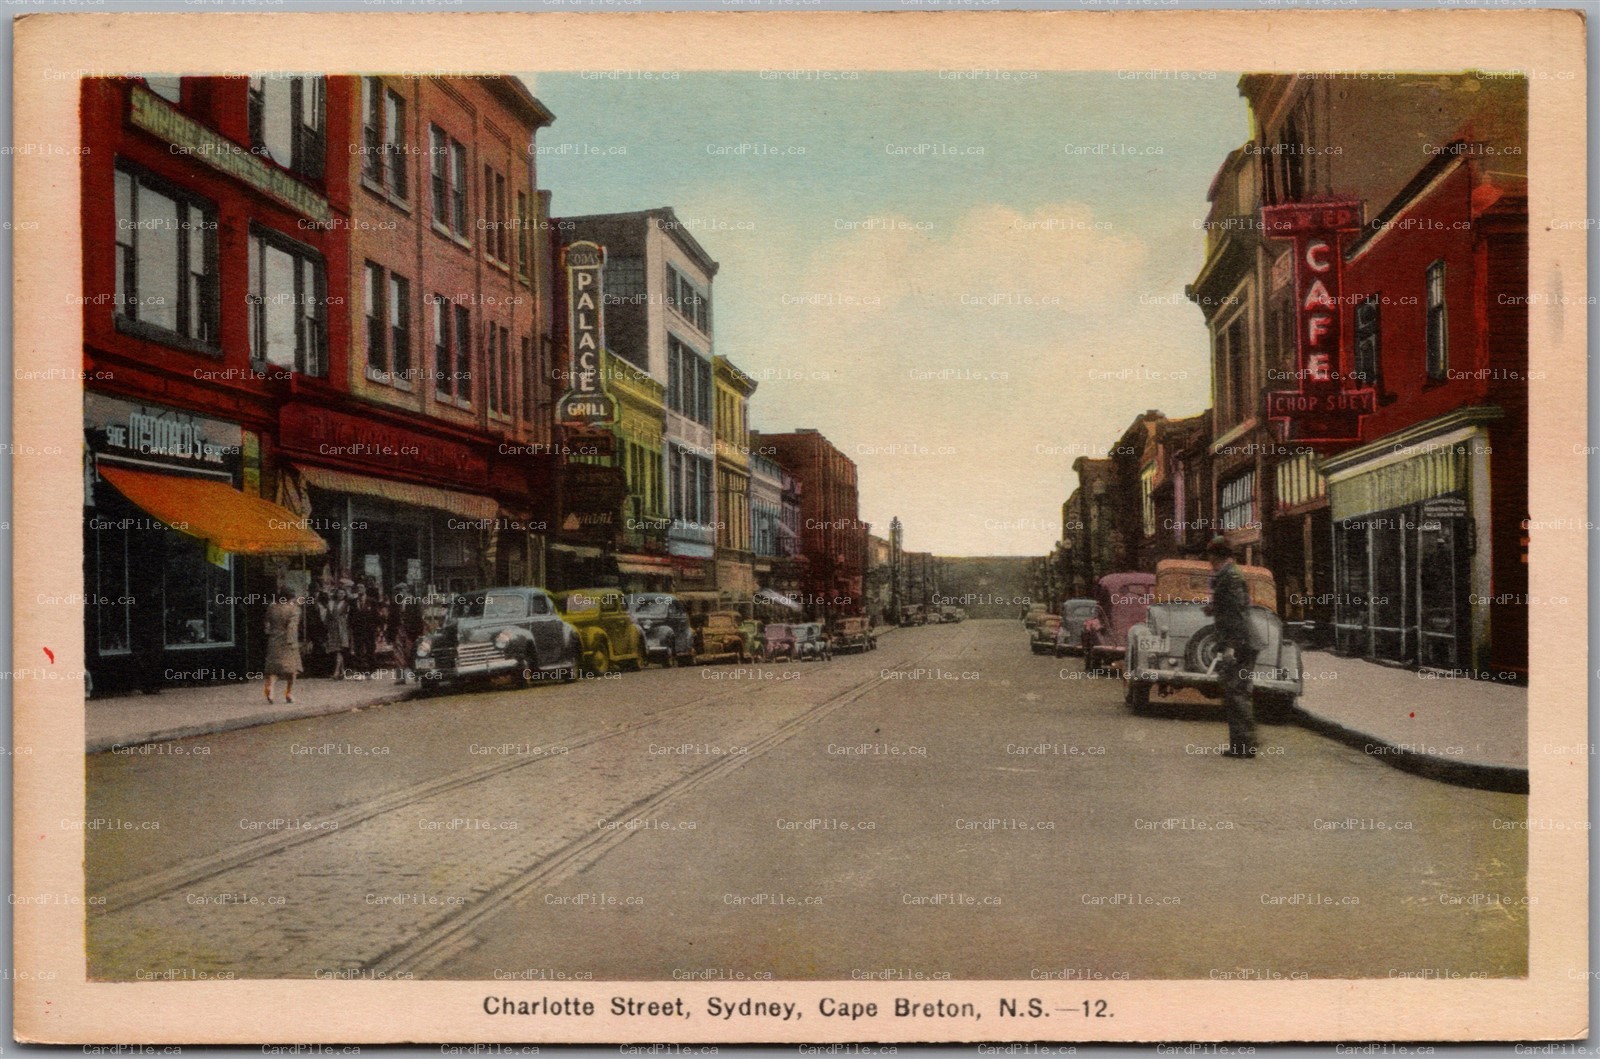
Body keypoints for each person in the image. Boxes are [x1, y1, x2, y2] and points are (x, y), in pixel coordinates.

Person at [1205, 536, 1266, 758]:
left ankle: (1245, 745)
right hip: (1241, 641)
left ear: (1215, 556)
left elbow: (1237, 614)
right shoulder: (1227, 576)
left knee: (1237, 692)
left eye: (1210, 556)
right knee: (1235, 692)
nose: (1209, 561)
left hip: (1240, 643)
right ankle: (1243, 743)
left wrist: (1230, 647)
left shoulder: (1230, 577)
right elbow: (1230, 609)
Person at [263, 588, 303, 704]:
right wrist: (292, 641)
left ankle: (271, 689)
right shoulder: (294, 609)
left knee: (274, 668)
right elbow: (292, 627)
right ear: (291, 597)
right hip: (287, 641)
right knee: (291, 669)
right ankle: (289, 693)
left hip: (274, 639)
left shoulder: (272, 607)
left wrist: (270, 632)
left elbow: (267, 623)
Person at [323, 588, 351, 680]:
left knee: (339, 650)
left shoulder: (346, 604)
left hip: (341, 629)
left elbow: (347, 617)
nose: (341, 595)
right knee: (336, 650)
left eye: (343, 593)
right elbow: (327, 617)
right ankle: (342, 672)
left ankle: (336, 672)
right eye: (339, 593)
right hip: (333, 629)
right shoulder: (331, 604)